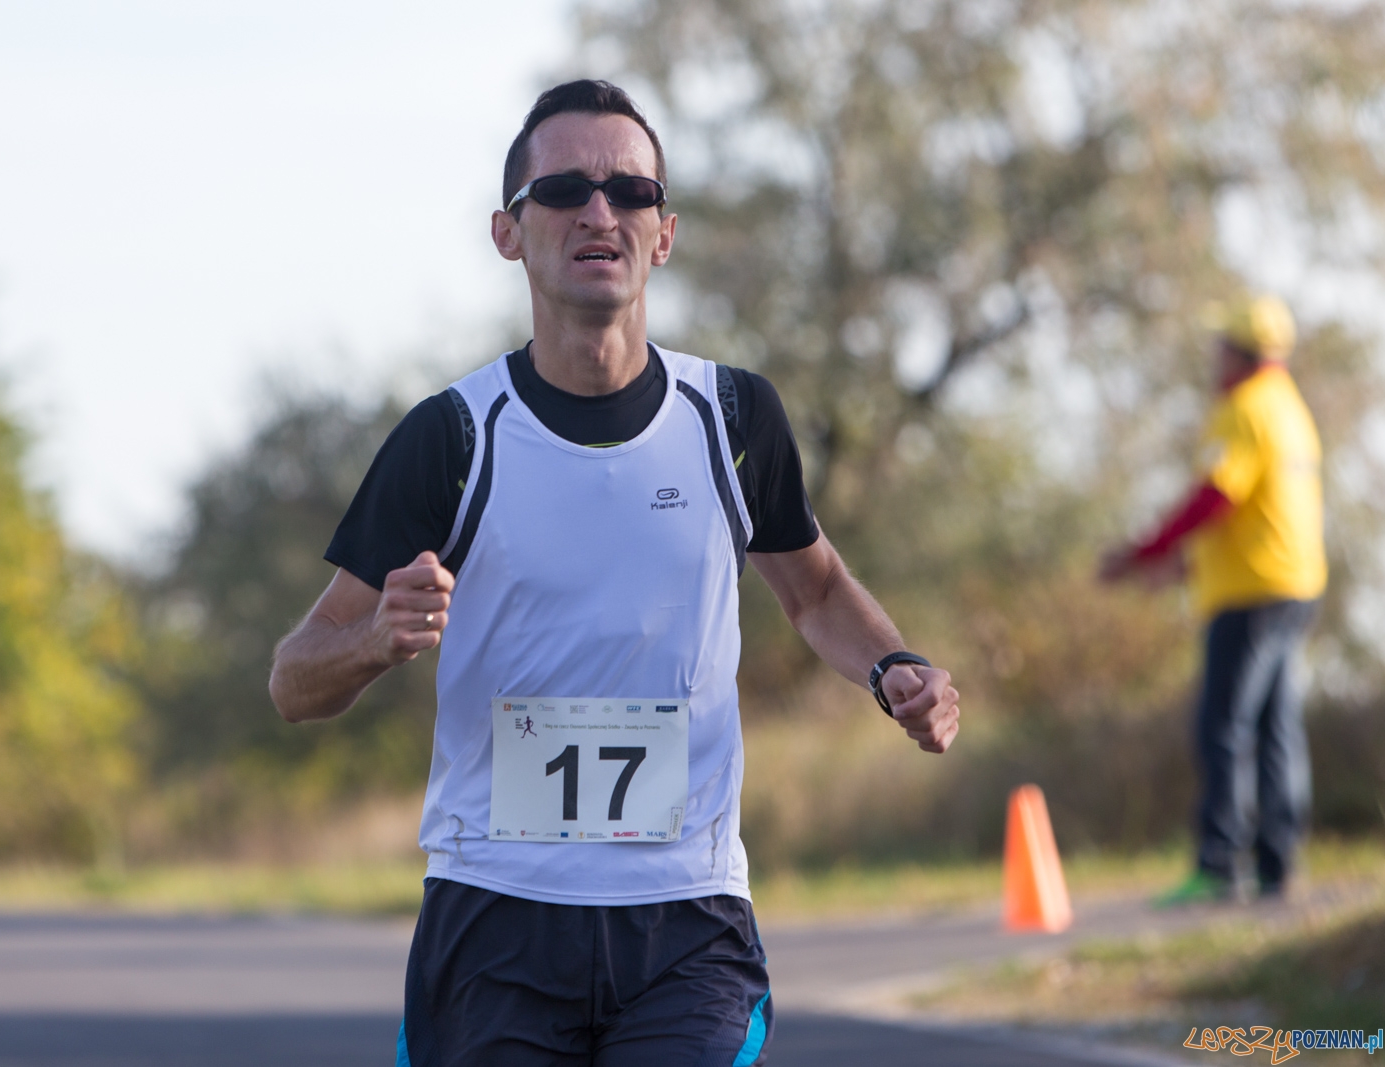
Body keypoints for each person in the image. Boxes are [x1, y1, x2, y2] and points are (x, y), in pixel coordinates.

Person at [269, 80, 961, 1067]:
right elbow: (295, 680)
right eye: (565, 189)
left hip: (687, 921)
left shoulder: (731, 417)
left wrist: (895, 663)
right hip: (495, 918)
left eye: (630, 192)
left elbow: (812, 590)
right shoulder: (454, 436)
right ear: (509, 232)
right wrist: (378, 637)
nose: (600, 211)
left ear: (664, 233)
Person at [1101, 294, 1326, 904]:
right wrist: (1179, 566)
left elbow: (1215, 498)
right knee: (1277, 726)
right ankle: (1278, 865)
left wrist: (1143, 551)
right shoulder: (1290, 410)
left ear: (1242, 353)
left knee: (1222, 726)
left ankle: (1219, 864)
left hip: (1249, 593)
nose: (1213, 357)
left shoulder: (1242, 408)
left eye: (1220, 346)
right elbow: (1257, 513)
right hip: (1295, 586)